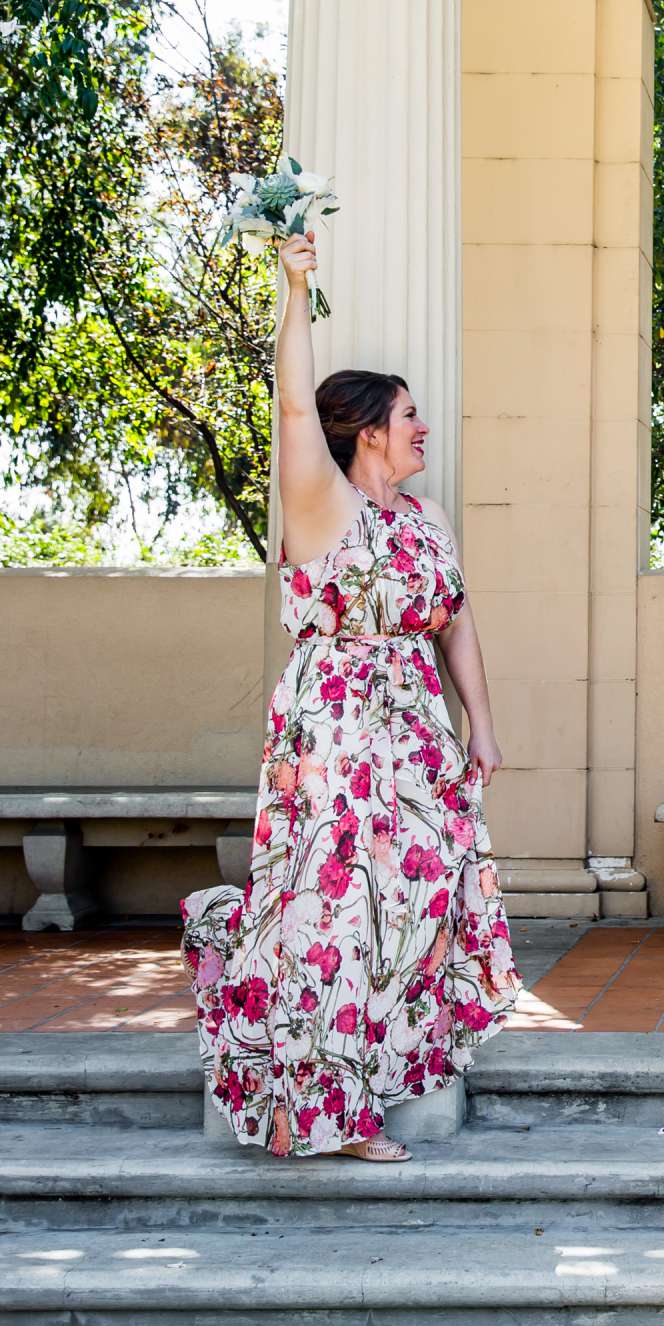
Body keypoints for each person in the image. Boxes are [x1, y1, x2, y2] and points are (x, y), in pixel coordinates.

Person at [182, 230, 519, 1161]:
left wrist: (479, 725)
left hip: (415, 726)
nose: (422, 428)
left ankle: (377, 1068)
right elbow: (293, 404)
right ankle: (331, 1111)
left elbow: (455, 622)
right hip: (333, 723)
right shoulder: (320, 503)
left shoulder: (428, 517)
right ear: (369, 427)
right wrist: (295, 289)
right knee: (332, 908)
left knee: (414, 901)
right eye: (409, 414)